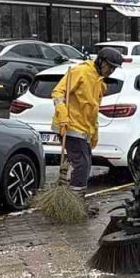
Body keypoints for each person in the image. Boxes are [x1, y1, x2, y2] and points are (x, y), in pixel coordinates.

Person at [52, 47, 123, 197]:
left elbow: (92, 111)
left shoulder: (99, 82)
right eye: (109, 66)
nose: (111, 71)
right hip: (70, 126)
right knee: (82, 165)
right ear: (101, 61)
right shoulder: (81, 72)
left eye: (114, 68)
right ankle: (75, 202)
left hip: (83, 130)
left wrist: (94, 132)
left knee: (85, 164)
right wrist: (63, 114)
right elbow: (58, 92)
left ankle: (75, 199)